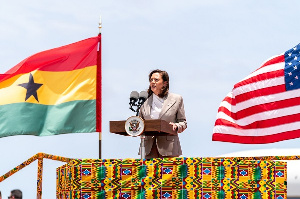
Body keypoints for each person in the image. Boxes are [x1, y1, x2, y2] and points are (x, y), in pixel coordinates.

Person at [139, 69, 187, 159]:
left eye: (156, 80)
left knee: (169, 173)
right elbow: (139, 123)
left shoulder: (176, 99)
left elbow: (183, 122)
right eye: (151, 80)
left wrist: (176, 126)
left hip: (169, 148)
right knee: (149, 173)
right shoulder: (144, 100)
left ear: (165, 83)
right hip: (149, 148)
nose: (153, 82)